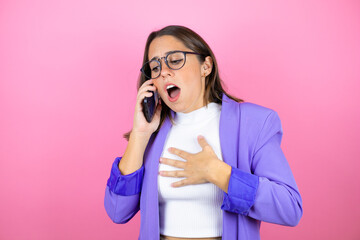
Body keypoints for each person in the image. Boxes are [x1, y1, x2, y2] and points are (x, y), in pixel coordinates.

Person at [104, 25, 303, 240]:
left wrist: (218, 172)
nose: (164, 72)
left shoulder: (254, 123)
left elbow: (289, 208)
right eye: (155, 67)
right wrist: (140, 135)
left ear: (205, 66)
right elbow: (117, 211)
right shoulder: (152, 132)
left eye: (175, 60)